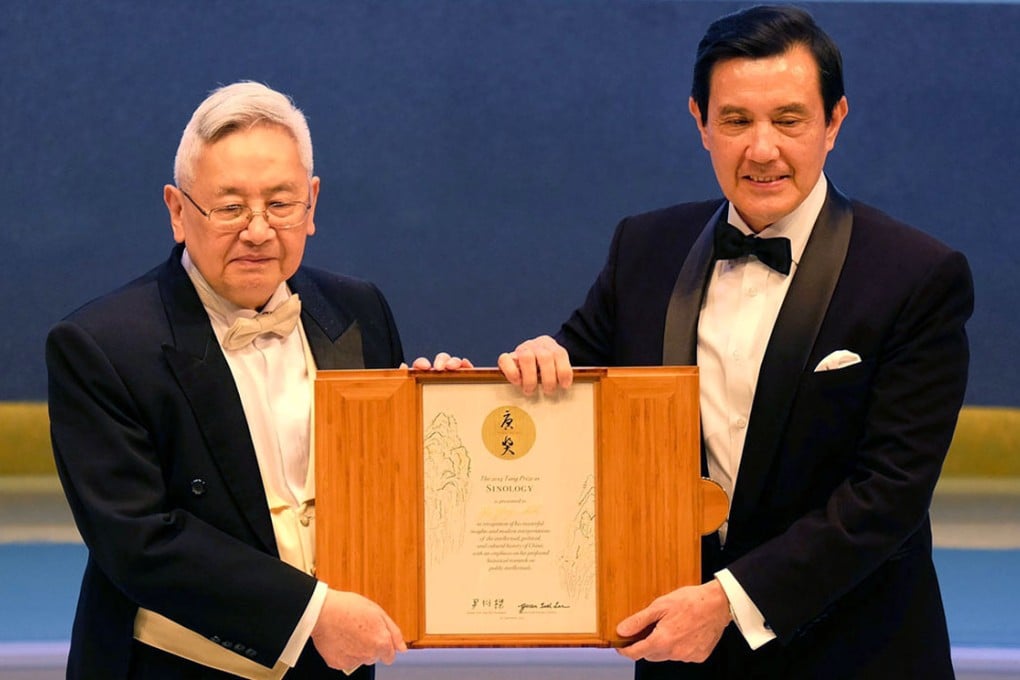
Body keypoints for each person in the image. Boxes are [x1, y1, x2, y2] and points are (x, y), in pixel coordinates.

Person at [498, 5, 972, 678]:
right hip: (680, 651)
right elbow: (569, 374)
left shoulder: (916, 275)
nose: (761, 149)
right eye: (736, 120)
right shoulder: (645, 248)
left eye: (789, 119)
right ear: (700, 123)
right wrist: (520, 367)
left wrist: (727, 602)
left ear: (834, 122)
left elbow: (888, 494)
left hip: (855, 649)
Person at [46, 81, 468, 679]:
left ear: (313, 204)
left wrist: (442, 420)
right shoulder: (101, 344)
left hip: (333, 670)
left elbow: (389, 491)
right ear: (176, 210)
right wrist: (315, 614)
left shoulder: (359, 311)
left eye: (280, 202)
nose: (258, 229)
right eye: (229, 206)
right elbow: (140, 542)